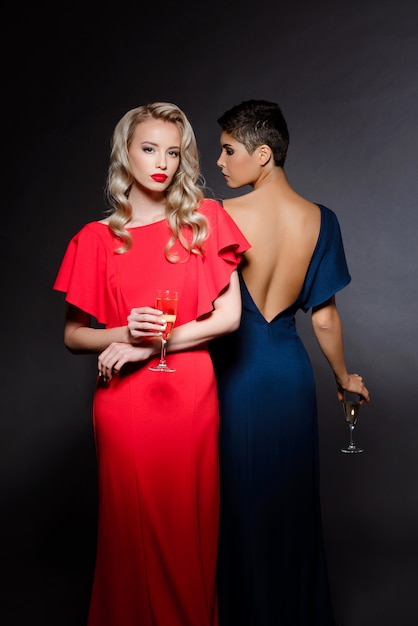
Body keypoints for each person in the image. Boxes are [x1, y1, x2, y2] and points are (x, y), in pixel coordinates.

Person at [53, 102, 250, 626]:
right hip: (124, 405)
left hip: (189, 395)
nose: (162, 162)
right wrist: (125, 334)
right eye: (148, 148)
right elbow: (74, 337)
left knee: (188, 528)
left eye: (173, 151)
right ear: (125, 153)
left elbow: (228, 319)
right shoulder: (96, 239)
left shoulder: (205, 218)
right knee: (129, 532)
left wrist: (148, 347)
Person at [208, 99, 371, 626]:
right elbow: (323, 319)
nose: (220, 162)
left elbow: (201, 306)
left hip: (235, 374)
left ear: (263, 154)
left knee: (237, 506)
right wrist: (344, 379)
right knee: (290, 508)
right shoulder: (322, 220)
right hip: (291, 375)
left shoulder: (219, 216)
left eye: (229, 150)